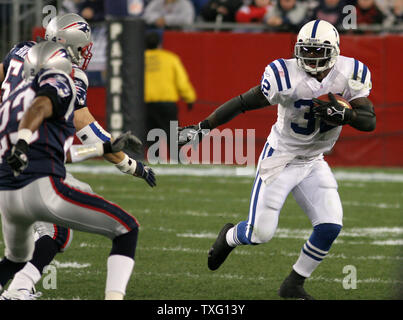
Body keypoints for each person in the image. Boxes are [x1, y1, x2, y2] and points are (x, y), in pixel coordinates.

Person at [178, 19, 376, 299]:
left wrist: (349, 115)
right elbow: (244, 102)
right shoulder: (283, 74)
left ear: (334, 51)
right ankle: (230, 236)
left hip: (313, 160)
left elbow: (369, 121)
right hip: (280, 159)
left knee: (330, 225)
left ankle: (293, 283)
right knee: (260, 234)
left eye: (318, 52)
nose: (311, 57)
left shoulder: (352, 71)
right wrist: (202, 127)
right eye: (306, 51)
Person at [0, 13, 156, 299]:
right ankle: (19, 289)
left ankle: (20, 285)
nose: (86, 53)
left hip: (10, 163)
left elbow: (71, 150)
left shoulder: (20, 51)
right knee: (101, 229)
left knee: (26, 248)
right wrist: (128, 164)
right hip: (34, 168)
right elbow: (87, 131)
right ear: (68, 47)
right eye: (82, 47)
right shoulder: (67, 76)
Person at [145, 31, 196, 155]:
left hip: (146, 104)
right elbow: (181, 81)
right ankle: (177, 160)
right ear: (159, 44)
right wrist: (189, 98)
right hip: (167, 104)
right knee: (173, 136)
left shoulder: (138, 60)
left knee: (151, 137)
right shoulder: (170, 58)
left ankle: (153, 161)